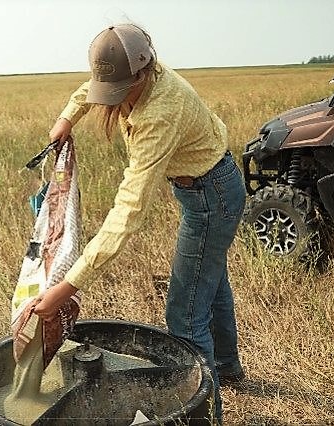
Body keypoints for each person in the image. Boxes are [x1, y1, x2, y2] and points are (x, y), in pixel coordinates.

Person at [32, 23, 246, 422]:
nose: (111, 101)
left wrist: (69, 285)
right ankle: (229, 371)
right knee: (210, 284)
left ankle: (205, 415)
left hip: (212, 197)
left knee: (184, 313)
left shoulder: (160, 113)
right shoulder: (132, 71)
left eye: (120, 92)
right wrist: (67, 119)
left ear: (143, 73)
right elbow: (90, 88)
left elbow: (127, 212)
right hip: (205, 188)